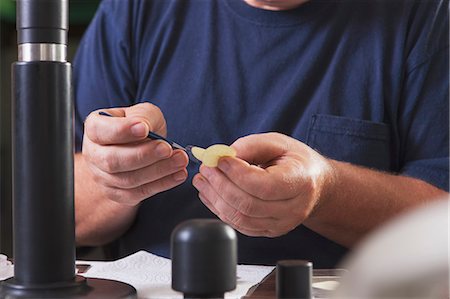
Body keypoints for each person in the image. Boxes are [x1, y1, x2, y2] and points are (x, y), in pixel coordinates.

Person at [73, 0, 449, 268]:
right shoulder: (136, 10)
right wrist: (114, 171)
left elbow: (441, 231)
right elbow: (70, 216)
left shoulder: (426, 15)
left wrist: (325, 193)